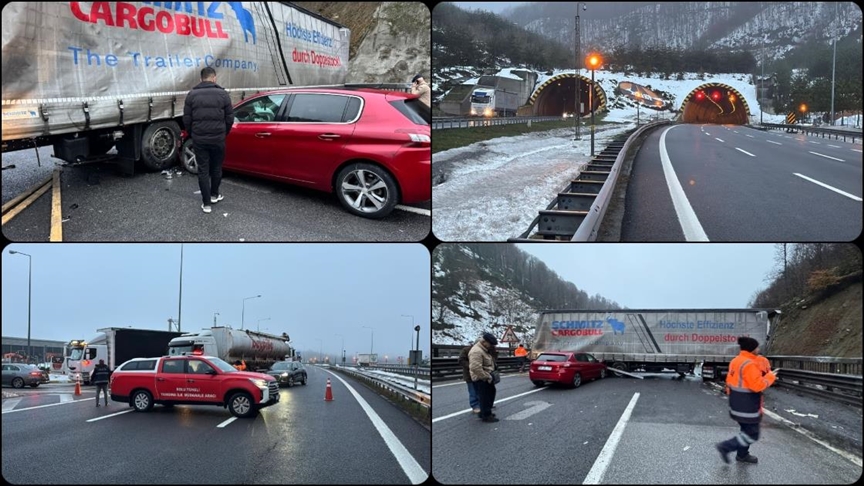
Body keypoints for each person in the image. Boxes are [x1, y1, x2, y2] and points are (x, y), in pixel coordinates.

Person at [715, 337, 776, 464]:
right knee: (752, 434)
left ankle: (742, 455)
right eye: (757, 347)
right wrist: (770, 377)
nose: (758, 349)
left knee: (746, 430)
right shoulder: (749, 364)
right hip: (747, 405)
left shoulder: (736, 361)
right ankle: (725, 447)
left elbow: (730, 381)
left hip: (736, 402)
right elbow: (757, 386)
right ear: (752, 349)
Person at [182, 67, 234, 214]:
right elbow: (230, 118)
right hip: (218, 138)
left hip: (200, 139)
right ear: (214, 78)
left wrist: (193, 134)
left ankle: (206, 204)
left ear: (201, 79)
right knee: (217, 168)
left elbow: (187, 119)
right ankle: (214, 195)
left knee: (203, 170)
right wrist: (224, 133)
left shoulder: (192, 95)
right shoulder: (223, 94)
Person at [468, 332, 498, 423]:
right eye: (490, 344)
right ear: (484, 342)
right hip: (481, 378)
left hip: (486, 376)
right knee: (485, 397)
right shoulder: (476, 351)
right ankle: (486, 415)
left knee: (490, 394)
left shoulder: (483, 349)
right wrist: (486, 377)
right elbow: (475, 368)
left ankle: (484, 412)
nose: (491, 346)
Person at [458, 342, 480, 413]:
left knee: (483, 390)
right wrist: (471, 366)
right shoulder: (466, 350)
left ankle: (484, 404)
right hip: (469, 374)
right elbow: (461, 360)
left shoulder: (484, 350)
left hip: (481, 374)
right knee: (473, 391)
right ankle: (475, 406)